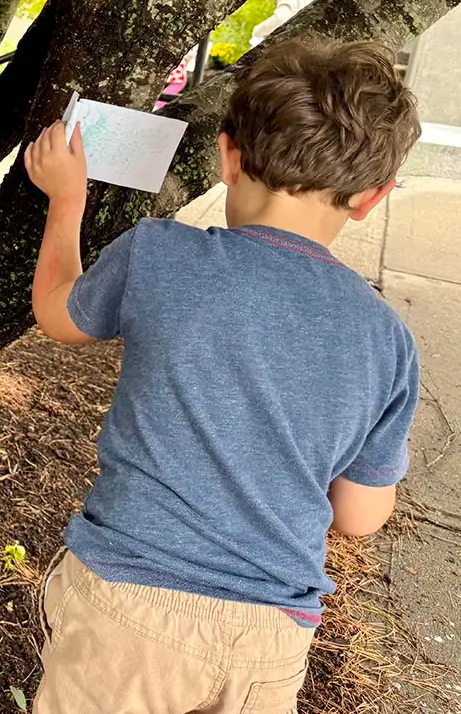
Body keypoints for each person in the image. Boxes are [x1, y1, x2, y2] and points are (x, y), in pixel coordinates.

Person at [25, 40, 421, 714]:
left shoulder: (160, 253)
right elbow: (359, 515)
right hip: (270, 638)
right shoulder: (389, 339)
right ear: (371, 197)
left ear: (228, 154)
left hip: (131, 606)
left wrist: (67, 202)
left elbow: (61, 318)